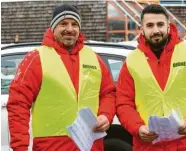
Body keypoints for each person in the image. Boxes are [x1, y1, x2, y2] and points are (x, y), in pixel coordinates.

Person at [7, 4, 116, 151]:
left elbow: (108, 93)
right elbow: (18, 105)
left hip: (91, 145)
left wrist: (106, 115)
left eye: (74, 24)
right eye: (63, 23)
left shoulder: (94, 58)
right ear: (53, 27)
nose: (70, 29)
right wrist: (20, 147)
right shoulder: (36, 58)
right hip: (51, 147)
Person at [116, 4, 186, 151]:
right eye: (150, 25)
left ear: (168, 26)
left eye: (160, 24)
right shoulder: (131, 61)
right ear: (141, 29)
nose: (156, 30)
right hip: (149, 145)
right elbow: (123, 103)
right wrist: (138, 127)